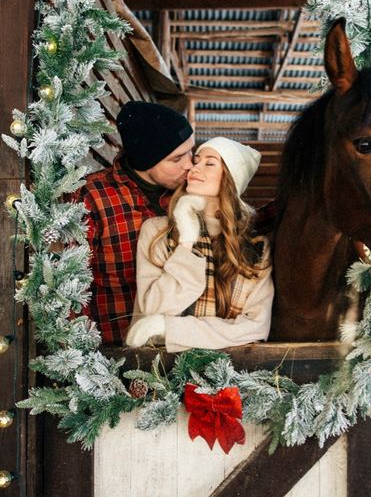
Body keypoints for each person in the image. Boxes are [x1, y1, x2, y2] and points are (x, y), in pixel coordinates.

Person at [125, 137, 274, 352]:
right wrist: (186, 240)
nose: (194, 168)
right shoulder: (157, 231)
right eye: (196, 161)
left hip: (230, 377)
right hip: (159, 370)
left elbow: (255, 328)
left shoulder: (257, 248)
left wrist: (169, 328)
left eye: (209, 163)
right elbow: (153, 309)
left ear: (230, 178)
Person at [76, 101, 195, 345]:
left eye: (191, 151)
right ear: (146, 161)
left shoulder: (191, 191)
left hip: (182, 346)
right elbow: (70, 285)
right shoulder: (91, 197)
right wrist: (85, 356)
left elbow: (236, 224)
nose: (190, 164)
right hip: (117, 349)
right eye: (177, 159)